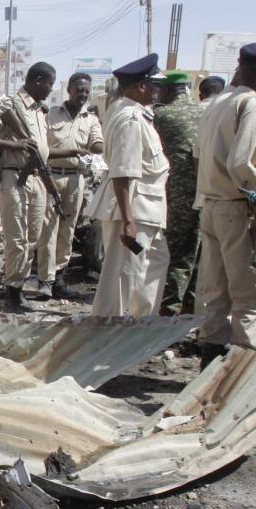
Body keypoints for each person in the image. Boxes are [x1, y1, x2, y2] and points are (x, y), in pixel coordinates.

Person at [192, 43, 256, 367]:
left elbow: (198, 156)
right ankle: (239, 375)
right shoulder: (250, 105)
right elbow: (242, 164)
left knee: (215, 294)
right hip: (237, 209)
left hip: (212, 206)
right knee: (248, 297)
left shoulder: (218, 103)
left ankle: (209, 368)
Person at [87, 54, 171, 318]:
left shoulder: (131, 113)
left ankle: (138, 328)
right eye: (154, 84)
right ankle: (112, 334)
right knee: (126, 279)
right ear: (140, 86)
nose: (159, 90)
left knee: (144, 272)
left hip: (144, 209)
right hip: (135, 209)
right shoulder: (131, 119)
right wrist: (128, 220)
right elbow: (124, 172)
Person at [0, 62, 56, 307]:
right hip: (13, 176)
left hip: (37, 178)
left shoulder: (41, 111)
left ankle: (17, 284)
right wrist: (15, 146)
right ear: (38, 80)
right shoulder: (8, 105)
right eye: (50, 83)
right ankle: (13, 290)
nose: (51, 89)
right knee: (16, 237)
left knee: (32, 238)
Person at [44, 72, 104, 298]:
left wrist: (98, 148)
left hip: (75, 179)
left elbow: (97, 144)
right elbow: (42, 148)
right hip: (50, 176)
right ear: (69, 89)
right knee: (47, 229)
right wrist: (71, 151)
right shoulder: (50, 115)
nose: (83, 94)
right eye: (79, 89)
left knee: (67, 231)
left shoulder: (90, 119)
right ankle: (44, 278)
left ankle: (58, 279)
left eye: (87, 90)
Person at [153, 71, 205, 314]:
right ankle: (190, 306)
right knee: (196, 249)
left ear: (167, 90)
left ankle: (168, 308)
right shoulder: (205, 112)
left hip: (175, 193)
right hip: (204, 192)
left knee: (172, 252)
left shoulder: (161, 115)